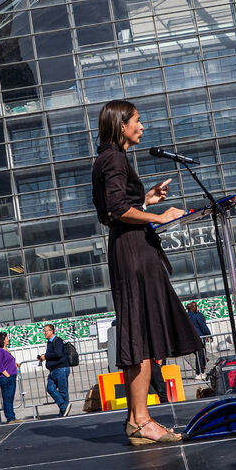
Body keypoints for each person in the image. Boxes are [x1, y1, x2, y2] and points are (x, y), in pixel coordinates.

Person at [91, 100, 200, 446]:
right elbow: (115, 209)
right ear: (121, 125)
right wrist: (158, 216)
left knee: (141, 334)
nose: (142, 126)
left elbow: (117, 207)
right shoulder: (114, 159)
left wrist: (146, 200)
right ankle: (140, 421)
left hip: (130, 249)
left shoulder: (110, 158)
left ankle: (138, 420)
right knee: (138, 334)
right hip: (133, 252)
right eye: (137, 121)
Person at [37, 324, 72, 416]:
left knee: (63, 391)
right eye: (44, 331)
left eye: (46, 331)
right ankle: (63, 406)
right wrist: (43, 357)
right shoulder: (49, 342)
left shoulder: (57, 341)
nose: (44, 333)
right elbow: (52, 354)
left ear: (51, 331)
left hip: (60, 369)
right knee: (50, 388)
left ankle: (63, 411)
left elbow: (58, 354)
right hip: (54, 370)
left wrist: (46, 356)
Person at [0, 333, 19, 423]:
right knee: (7, 398)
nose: (8, 339)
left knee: (10, 398)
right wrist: (8, 375)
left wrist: (14, 364)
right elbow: (0, 366)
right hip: (5, 378)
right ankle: (10, 418)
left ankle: (12, 416)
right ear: (3, 340)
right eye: (7, 337)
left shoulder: (6, 350)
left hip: (11, 376)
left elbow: (7, 361)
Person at [185, 302, 212, 376]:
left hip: (190, 338)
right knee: (201, 354)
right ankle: (200, 372)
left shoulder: (185, 316)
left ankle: (200, 371)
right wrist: (209, 335)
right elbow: (203, 326)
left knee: (198, 354)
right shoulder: (196, 316)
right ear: (193, 308)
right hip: (199, 337)